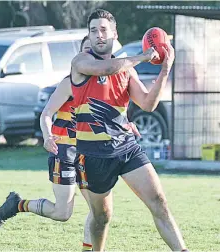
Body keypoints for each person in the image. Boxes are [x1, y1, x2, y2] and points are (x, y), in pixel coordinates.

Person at [0, 35, 141, 252]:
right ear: (80, 56)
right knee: (63, 213)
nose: (92, 55)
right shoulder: (69, 83)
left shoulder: (106, 85)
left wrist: (128, 124)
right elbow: (46, 114)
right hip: (64, 150)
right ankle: (18, 204)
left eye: (95, 51)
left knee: (100, 211)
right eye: (86, 50)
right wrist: (47, 135)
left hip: (91, 152)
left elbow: (112, 115)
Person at [70, 9, 189, 252]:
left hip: (126, 148)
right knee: (101, 218)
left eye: (104, 30)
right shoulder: (81, 62)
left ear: (114, 34)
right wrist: (144, 56)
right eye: (94, 31)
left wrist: (164, 70)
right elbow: (106, 69)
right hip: (93, 154)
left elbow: (147, 104)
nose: (99, 35)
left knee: (159, 202)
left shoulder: (127, 70)